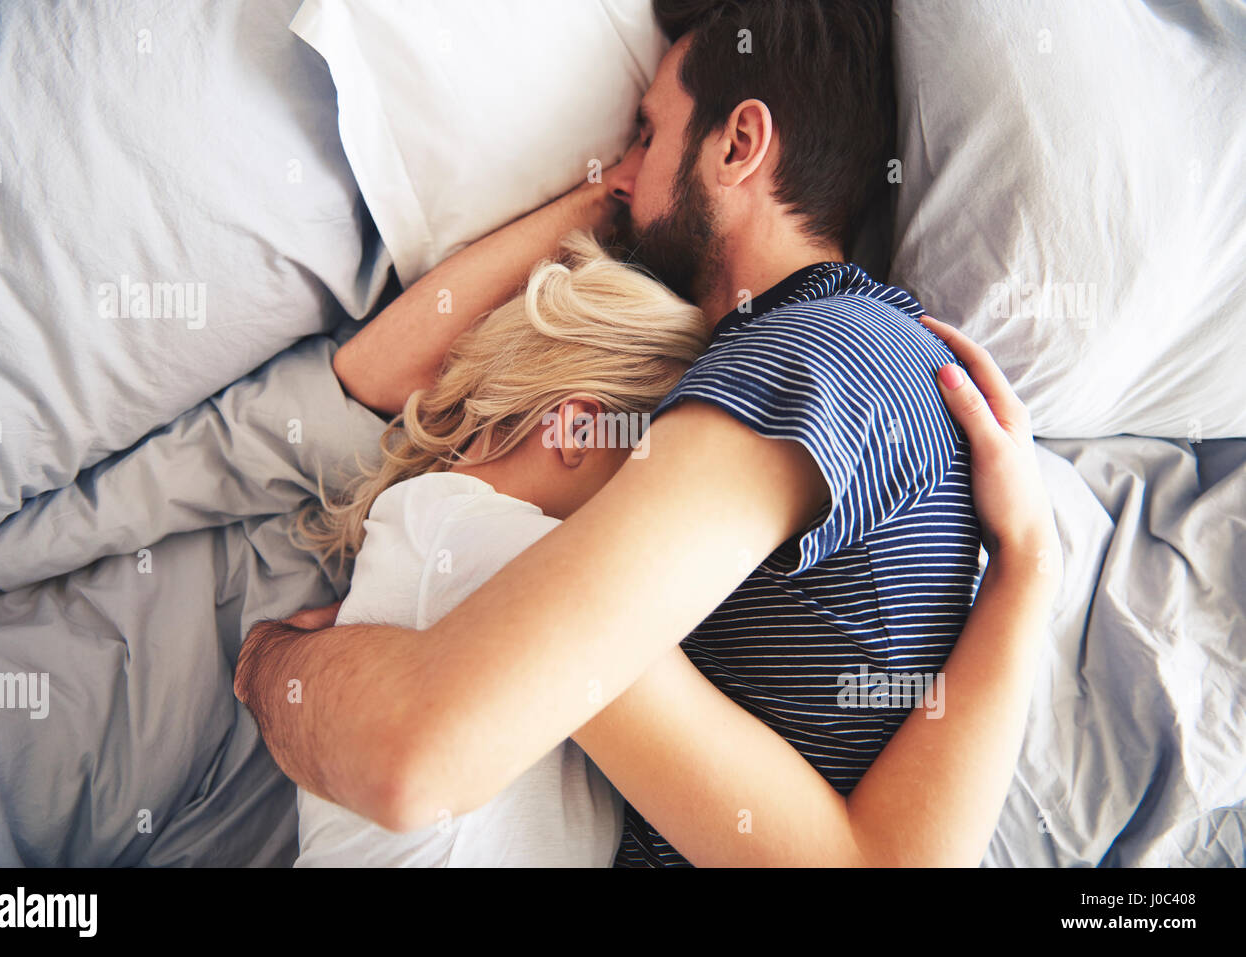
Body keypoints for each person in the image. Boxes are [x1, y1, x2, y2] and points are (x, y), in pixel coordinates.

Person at [236, 0, 1062, 866]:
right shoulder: (851, 356)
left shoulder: (803, 365)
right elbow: (396, 386)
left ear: (740, 143)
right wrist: (1029, 566)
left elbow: (414, 759)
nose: (621, 172)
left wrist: (271, 662)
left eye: (646, 132)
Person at [290, 231, 708, 866]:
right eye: (660, 463)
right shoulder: (477, 532)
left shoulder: (440, 531)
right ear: (580, 429)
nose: (672, 505)